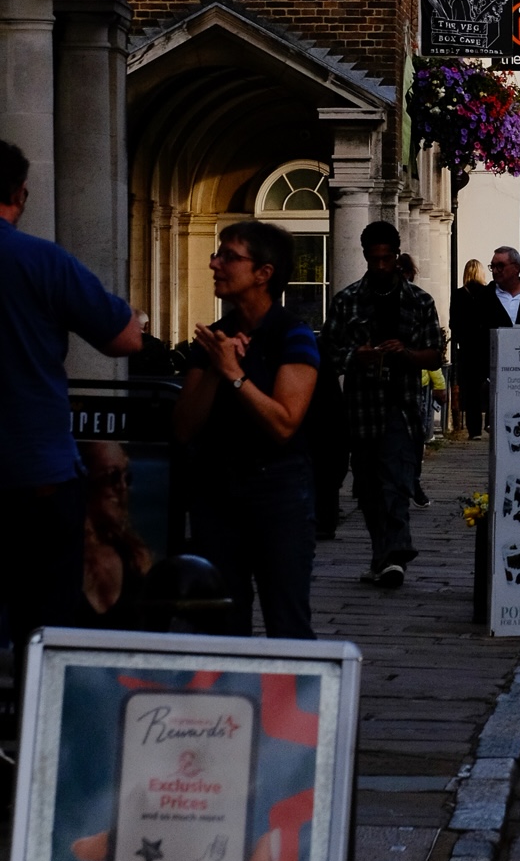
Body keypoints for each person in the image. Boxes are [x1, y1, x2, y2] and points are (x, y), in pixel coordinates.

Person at [0, 141, 143, 670]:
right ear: (20, 194)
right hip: (35, 470)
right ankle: (36, 740)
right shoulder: (43, 261)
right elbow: (124, 338)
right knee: (44, 629)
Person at [174, 220, 320, 638]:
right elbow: (184, 427)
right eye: (217, 254)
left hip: (279, 492)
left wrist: (236, 375)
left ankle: (286, 705)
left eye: (229, 256)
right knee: (220, 621)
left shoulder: (293, 335)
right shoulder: (214, 339)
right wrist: (218, 372)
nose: (214, 264)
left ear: (263, 273)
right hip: (217, 493)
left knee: (287, 620)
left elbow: (284, 424)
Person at [323, 221, 442, 591]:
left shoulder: (419, 301)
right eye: (373, 260)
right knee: (368, 488)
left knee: (395, 481)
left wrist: (404, 354)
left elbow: (435, 355)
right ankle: (382, 556)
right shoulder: (347, 300)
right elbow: (327, 353)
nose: (379, 267)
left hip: (401, 406)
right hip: (360, 407)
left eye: (386, 259)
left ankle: (395, 554)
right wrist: (355, 356)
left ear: (396, 256)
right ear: (364, 256)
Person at [78, 441, 152, 626]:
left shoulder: (137, 559)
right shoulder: (59, 558)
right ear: (86, 481)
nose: (122, 487)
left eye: (127, 478)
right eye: (112, 476)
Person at [451, 258, 491, 439]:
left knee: (471, 390)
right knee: (491, 384)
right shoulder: (489, 293)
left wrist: (460, 338)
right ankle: (490, 421)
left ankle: (474, 430)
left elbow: (454, 323)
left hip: (467, 348)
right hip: (485, 346)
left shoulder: (459, 294)